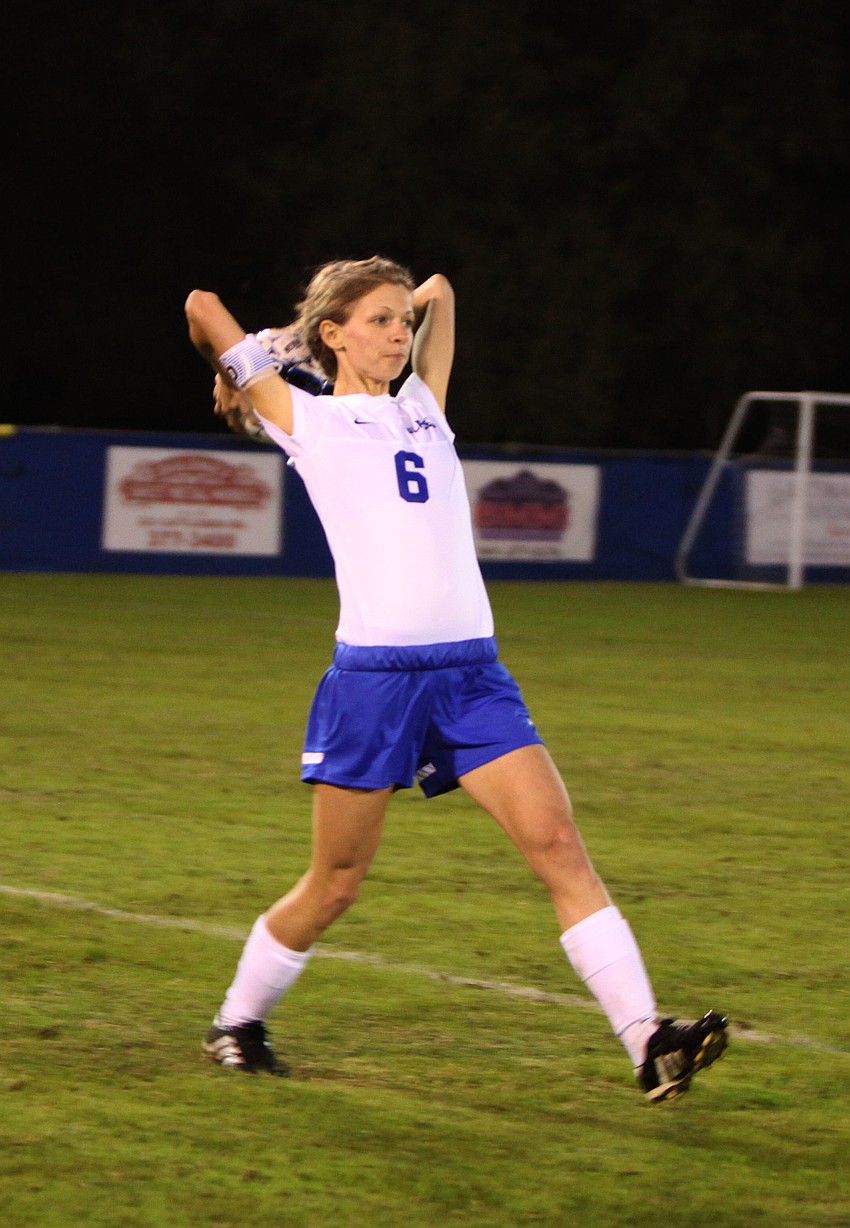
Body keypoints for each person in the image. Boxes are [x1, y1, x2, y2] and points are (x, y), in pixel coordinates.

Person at [184, 256, 728, 1103]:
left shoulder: (424, 405)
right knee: (336, 884)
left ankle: (649, 1039)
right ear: (333, 335)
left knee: (558, 848)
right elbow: (201, 306)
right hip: (375, 684)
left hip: (474, 674)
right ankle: (236, 1022)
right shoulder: (306, 418)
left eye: (403, 323)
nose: (402, 332)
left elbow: (441, 287)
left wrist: (381, 302)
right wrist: (301, 335)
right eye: (379, 322)